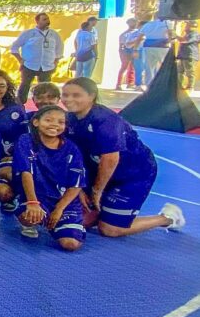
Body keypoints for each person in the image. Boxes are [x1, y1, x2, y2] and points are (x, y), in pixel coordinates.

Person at [61, 78, 184, 237]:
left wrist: (96, 191)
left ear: (92, 96)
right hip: (98, 171)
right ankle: (105, 211)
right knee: (83, 222)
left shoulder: (106, 121)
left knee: (109, 229)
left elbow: (110, 160)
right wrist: (79, 189)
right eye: (65, 95)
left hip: (132, 175)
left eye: (76, 95)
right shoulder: (70, 119)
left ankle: (167, 218)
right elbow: (72, 156)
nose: (68, 100)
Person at [12, 105, 87, 250]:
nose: (54, 125)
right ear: (36, 122)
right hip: (39, 198)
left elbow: (76, 184)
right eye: (48, 120)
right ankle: (34, 220)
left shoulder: (72, 149)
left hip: (64, 202)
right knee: (29, 218)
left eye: (60, 122)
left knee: (70, 245)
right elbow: (26, 172)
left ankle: (69, 225)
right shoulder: (26, 141)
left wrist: (59, 209)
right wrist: (33, 202)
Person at [9, 13, 64, 105]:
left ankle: (45, 104)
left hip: (47, 66)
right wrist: (20, 60)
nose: (47, 21)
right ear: (37, 21)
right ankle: (19, 105)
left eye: (47, 19)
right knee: (25, 85)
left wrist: (55, 63)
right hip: (29, 65)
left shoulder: (54, 34)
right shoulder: (28, 33)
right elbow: (14, 48)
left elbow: (59, 49)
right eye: (44, 19)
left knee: (45, 88)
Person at [137, 15, 173, 85]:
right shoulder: (167, 23)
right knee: (164, 66)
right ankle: (164, 83)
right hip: (162, 46)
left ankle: (149, 85)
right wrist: (170, 41)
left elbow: (140, 37)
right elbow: (170, 34)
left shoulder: (147, 24)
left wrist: (136, 49)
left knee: (149, 67)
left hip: (148, 46)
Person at [116, 18, 143, 90]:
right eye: (132, 22)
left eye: (135, 22)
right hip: (126, 50)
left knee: (134, 67)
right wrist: (121, 52)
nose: (134, 24)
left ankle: (131, 83)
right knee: (124, 66)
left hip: (136, 50)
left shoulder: (139, 32)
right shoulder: (124, 34)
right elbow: (122, 45)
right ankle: (118, 84)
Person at [177, 21, 199, 91]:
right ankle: (179, 86)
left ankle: (190, 87)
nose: (185, 27)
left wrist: (176, 36)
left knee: (189, 72)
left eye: (187, 25)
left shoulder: (194, 34)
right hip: (183, 55)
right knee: (180, 71)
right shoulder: (186, 34)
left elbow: (185, 40)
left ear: (192, 26)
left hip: (189, 56)